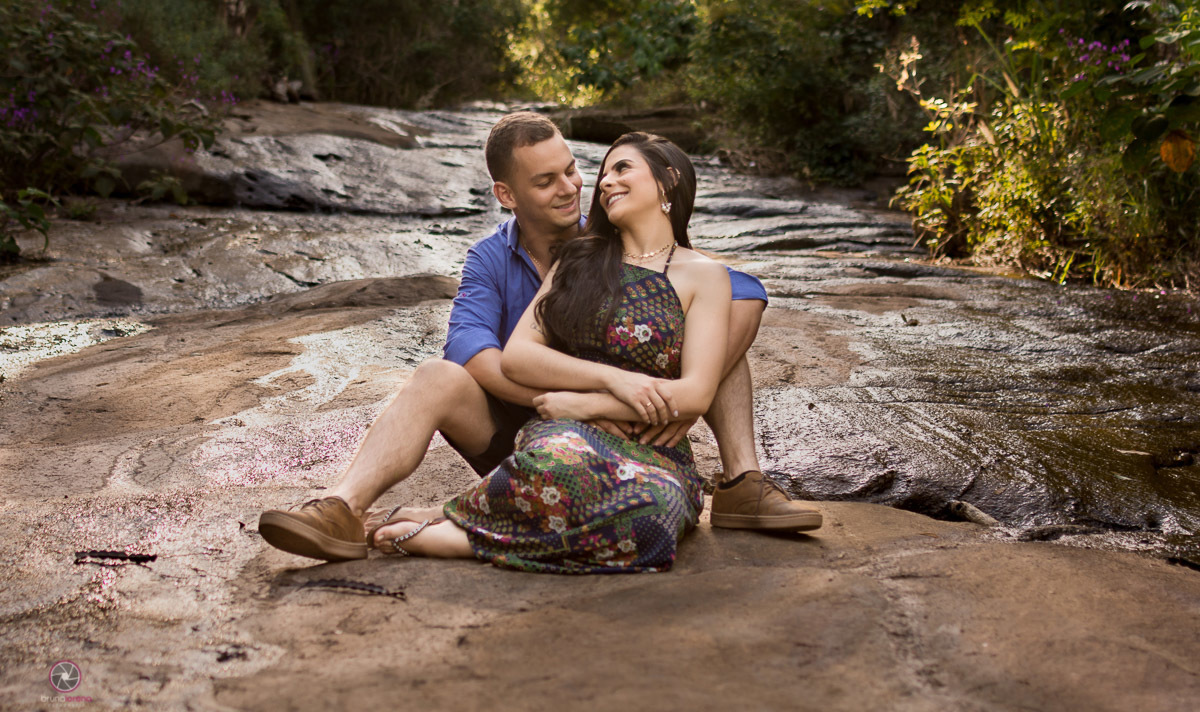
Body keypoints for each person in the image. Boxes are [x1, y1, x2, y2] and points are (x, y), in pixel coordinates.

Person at [257, 114, 819, 564]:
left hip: (642, 436)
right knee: (436, 375)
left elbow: (741, 293)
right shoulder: (500, 259)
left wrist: (664, 400)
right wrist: (580, 404)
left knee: (719, 345)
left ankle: (743, 480)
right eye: (547, 181)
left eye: (574, 170)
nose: (576, 187)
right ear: (506, 193)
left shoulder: (634, 241)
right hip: (530, 426)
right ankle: (342, 507)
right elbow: (473, 355)